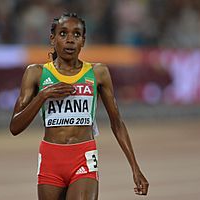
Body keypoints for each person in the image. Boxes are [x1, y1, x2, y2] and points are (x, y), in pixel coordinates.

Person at [9, 12, 149, 200]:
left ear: (83, 41)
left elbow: (117, 123)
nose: (70, 40)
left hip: (83, 156)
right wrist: (43, 95)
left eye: (76, 35)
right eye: (63, 33)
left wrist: (135, 168)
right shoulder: (36, 73)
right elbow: (15, 127)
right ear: (52, 39)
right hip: (51, 158)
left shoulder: (98, 73)